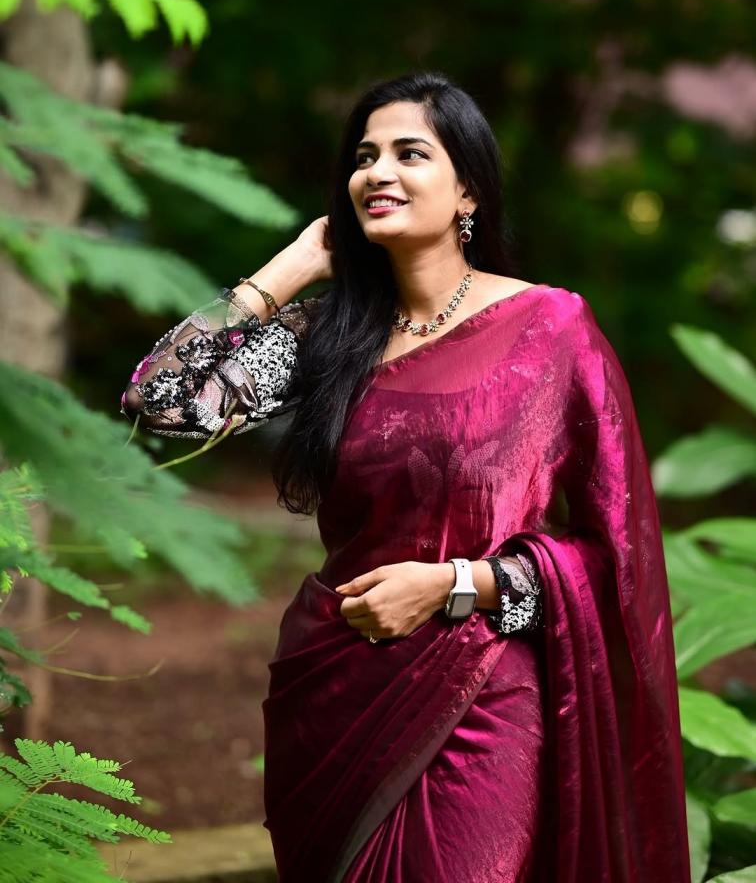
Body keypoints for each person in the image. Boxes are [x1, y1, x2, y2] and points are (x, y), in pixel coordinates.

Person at [121, 71, 691, 882]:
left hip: (482, 699)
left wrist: (457, 584)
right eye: (365, 157)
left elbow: (616, 558)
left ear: (468, 191)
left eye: (409, 154)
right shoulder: (329, 337)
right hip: (335, 691)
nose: (378, 173)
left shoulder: (549, 329)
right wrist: (286, 271)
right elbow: (159, 401)